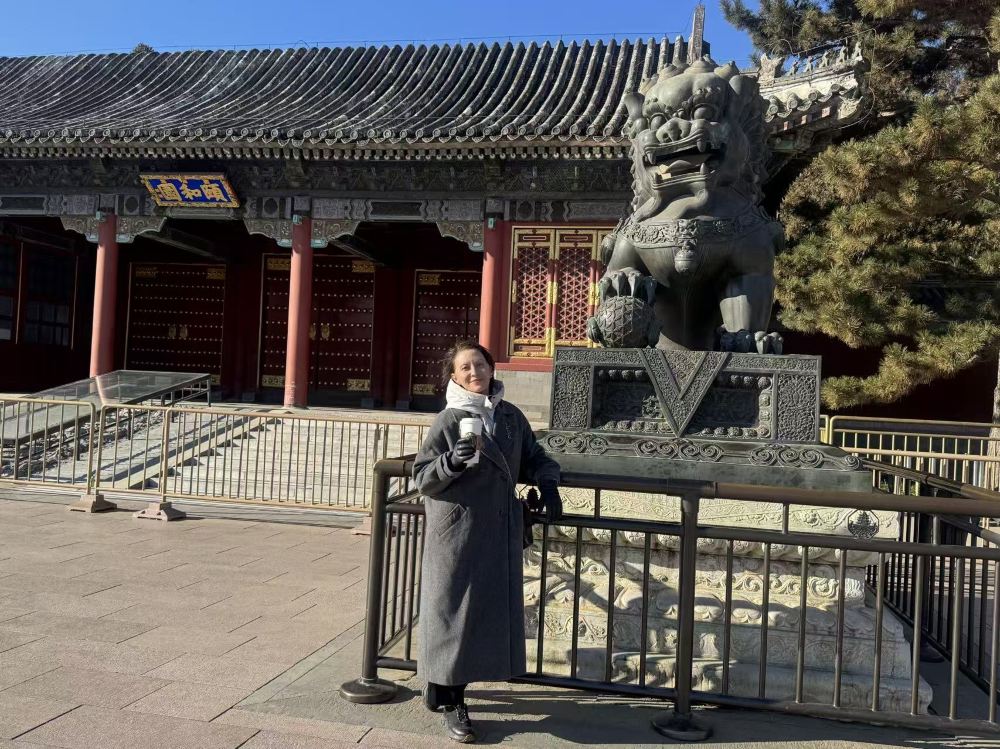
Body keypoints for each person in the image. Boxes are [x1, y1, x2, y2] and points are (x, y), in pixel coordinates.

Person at [413, 341, 562, 744]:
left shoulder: (509, 417)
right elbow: (423, 477)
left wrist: (549, 483)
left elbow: (534, 456)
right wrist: (452, 460)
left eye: (479, 364)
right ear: (454, 377)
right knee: (452, 616)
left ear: (492, 368)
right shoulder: (449, 419)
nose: (474, 372)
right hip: (456, 531)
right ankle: (453, 701)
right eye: (465, 367)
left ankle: (440, 686)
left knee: (481, 615)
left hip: (496, 529)